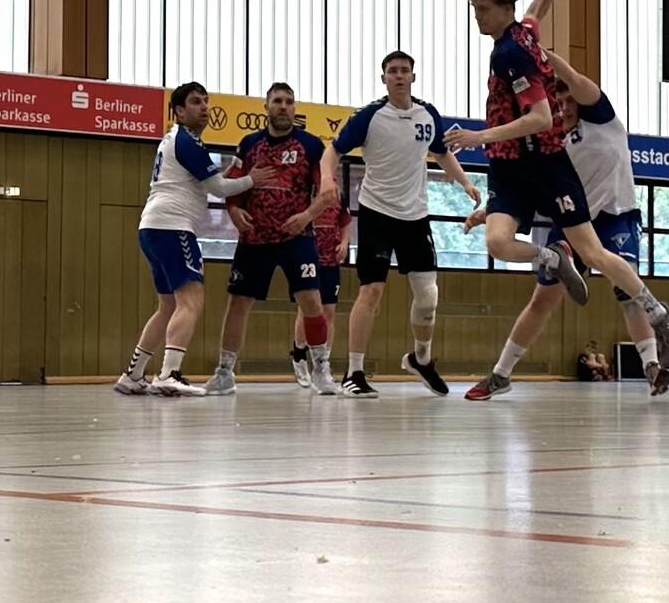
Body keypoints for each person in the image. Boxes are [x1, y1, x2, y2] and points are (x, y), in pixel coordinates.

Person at [443, 0, 669, 374]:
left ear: (503, 7)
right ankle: (550, 261)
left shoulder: (513, 55)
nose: (477, 16)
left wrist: (478, 137)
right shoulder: (520, 34)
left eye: (483, 8)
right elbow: (535, 11)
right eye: (475, 8)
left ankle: (657, 314)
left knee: (596, 255)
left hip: (547, 167)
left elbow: (540, 118)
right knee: (498, 244)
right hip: (512, 165)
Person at [465, 46, 669, 400]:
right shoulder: (549, 145)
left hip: (616, 216)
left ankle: (652, 365)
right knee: (543, 299)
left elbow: (574, 79)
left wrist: (538, 52)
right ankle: (501, 374)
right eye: (556, 101)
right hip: (573, 221)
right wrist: (489, 211)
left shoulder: (602, 120)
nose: (563, 106)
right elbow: (529, 191)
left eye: (567, 100)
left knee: (626, 291)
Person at [319, 50, 478, 398]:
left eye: (405, 70)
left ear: (413, 77)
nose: (399, 75)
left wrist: (466, 183)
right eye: (393, 71)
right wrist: (327, 179)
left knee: (428, 295)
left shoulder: (428, 114)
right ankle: (354, 372)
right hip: (377, 212)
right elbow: (333, 150)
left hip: (415, 216)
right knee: (371, 290)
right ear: (384, 78)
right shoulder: (370, 116)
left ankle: (421, 358)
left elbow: (442, 153)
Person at [118, 82, 284, 398]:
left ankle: (133, 374)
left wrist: (235, 174)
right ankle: (169, 373)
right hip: (174, 228)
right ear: (179, 111)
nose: (204, 107)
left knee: (168, 305)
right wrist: (253, 179)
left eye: (206, 101)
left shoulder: (177, 141)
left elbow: (209, 180)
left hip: (152, 227)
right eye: (196, 102)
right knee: (191, 302)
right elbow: (218, 188)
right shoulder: (187, 141)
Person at [205, 83, 337, 397]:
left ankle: (321, 369)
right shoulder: (249, 144)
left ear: (295, 108)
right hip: (255, 239)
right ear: (266, 107)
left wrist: (306, 216)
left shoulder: (311, 145)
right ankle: (224, 372)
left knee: (312, 301)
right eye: (277, 101)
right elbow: (231, 186)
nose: (283, 106)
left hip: (296, 237)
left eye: (289, 101)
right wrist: (234, 211)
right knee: (238, 303)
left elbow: (328, 193)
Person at [291, 199, 348, 387]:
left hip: (331, 261)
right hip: (308, 257)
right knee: (306, 309)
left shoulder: (337, 195)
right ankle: (299, 355)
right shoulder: (304, 191)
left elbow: (345, 221)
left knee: (329, 311)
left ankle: (323, 363)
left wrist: (344, 243)